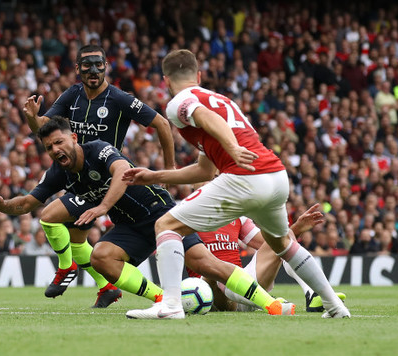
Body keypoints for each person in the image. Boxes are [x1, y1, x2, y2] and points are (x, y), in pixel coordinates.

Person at [0, 117, 294, 316]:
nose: (56, 150)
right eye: (49, 147)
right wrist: (2, 204)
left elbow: (121, 173)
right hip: (130, 226)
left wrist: (102, 207)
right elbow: (26, 204)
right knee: (102, 256)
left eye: (59, 142)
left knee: (203, 264)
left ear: (73, 138)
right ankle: (160, 298)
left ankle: (272, 305)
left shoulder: (98, 150)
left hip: (161, 214)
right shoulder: (58, 174)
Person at [123, 49, 350, 319]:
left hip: (245, 176)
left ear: (166, 80)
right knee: (284, 245)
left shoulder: (179, 102)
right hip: (276, 176)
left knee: (165, 225)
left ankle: (170, 306)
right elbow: (205, 169)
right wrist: (156, 175)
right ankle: (335, 306)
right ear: (198, 74)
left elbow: (209, 118)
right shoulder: (223, 99)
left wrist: (232, 147)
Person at [22, 44, 176, 304]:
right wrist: (32, 118)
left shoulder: (119, 98)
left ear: (106, 66)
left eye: (98, 65)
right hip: (76, 174)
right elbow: (44, 129)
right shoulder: (72, 96)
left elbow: (161, 123)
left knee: (49, 217)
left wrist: (169, 170)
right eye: (87, 65)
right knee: (75, 237)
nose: (93, 70)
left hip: (107, 178)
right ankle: (106, 287)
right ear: (77, 69)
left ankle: (68, 267)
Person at [189, 203, 346, 312]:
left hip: (243, 286)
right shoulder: (184, 217)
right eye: (204, 177)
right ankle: (268, 302)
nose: (209, 182)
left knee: (281, 233)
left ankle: (311, 294)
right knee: (213, 275)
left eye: (215, 177)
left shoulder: (236, 217)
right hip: (209, 293)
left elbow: (273, 244)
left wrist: (296, 229)